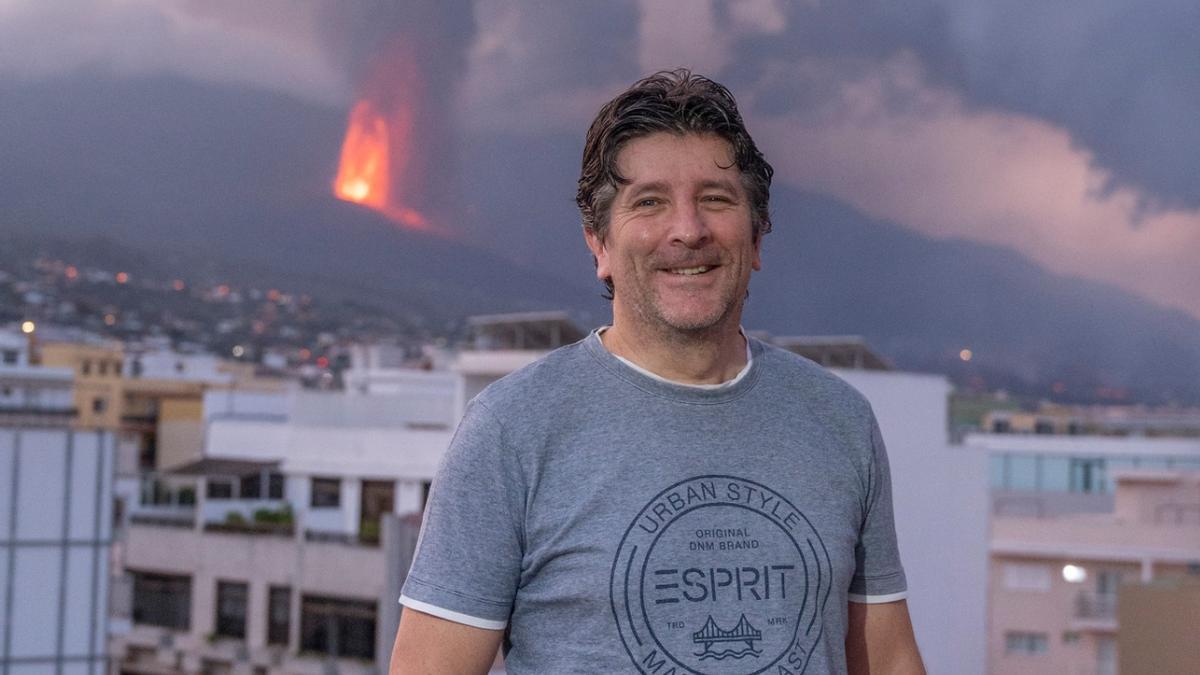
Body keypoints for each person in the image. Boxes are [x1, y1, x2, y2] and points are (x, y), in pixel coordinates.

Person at [390, 69, 924, 675]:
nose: (688, 230)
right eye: (649, 202)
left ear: (757, 236)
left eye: (716, 199)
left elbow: (889, 658)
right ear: (600, 244)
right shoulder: (511, 430)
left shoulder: (839, 419)